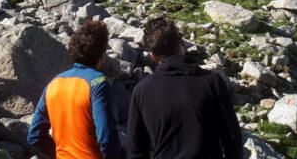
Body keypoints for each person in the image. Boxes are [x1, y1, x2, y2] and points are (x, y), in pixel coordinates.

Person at [127, 17, 242, 159]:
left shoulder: (141, 91)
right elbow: (232, 139)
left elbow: (135, 150)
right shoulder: (212, 82)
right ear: (181, 43)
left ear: (153, 55)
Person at [28, 20, 124, 159]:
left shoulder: (53, 84)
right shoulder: (98, 83)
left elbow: (34, 136)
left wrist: (57, 154)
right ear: (102, 54)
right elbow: (106, 138)